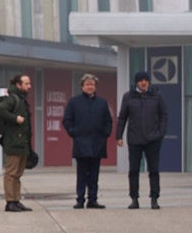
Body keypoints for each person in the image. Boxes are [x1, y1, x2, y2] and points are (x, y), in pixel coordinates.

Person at [116, 69, 168, 209]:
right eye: (140, 80)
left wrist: (161, 133)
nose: (143, 83)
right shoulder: (128, 96)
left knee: (154, 170)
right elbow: (122, 117)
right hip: (135, 139)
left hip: (153, 139)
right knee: (133, 170)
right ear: (136, 83)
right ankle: (134, 198)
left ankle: (154, 198)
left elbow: (164, 114)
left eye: (146, 80)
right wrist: (119, 136)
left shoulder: (156, 95)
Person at [61, 74, 113, 210]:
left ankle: (93, 199)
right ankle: (80, 199)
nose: (90, 87)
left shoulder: (102, 102)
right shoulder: (74, 102)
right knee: (82, 174)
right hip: (81, 143)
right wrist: (74, 132)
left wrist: (105, 134)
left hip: (98, 143)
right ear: (82, 86)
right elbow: (67, 120)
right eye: (87, 84)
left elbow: (108, 120)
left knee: (94, 174)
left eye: (92, 85)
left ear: (95, 87)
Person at [0, 72, 34, 212]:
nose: (29, 86)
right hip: (13, 142)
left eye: (29, 84)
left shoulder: (21, 99)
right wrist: (15, 118)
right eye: (26, 84)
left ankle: (16, 200)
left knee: (18, 174)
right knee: (11, 173)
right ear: (18, 85)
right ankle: (10, 201)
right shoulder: (12, 98)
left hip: (22, 143)